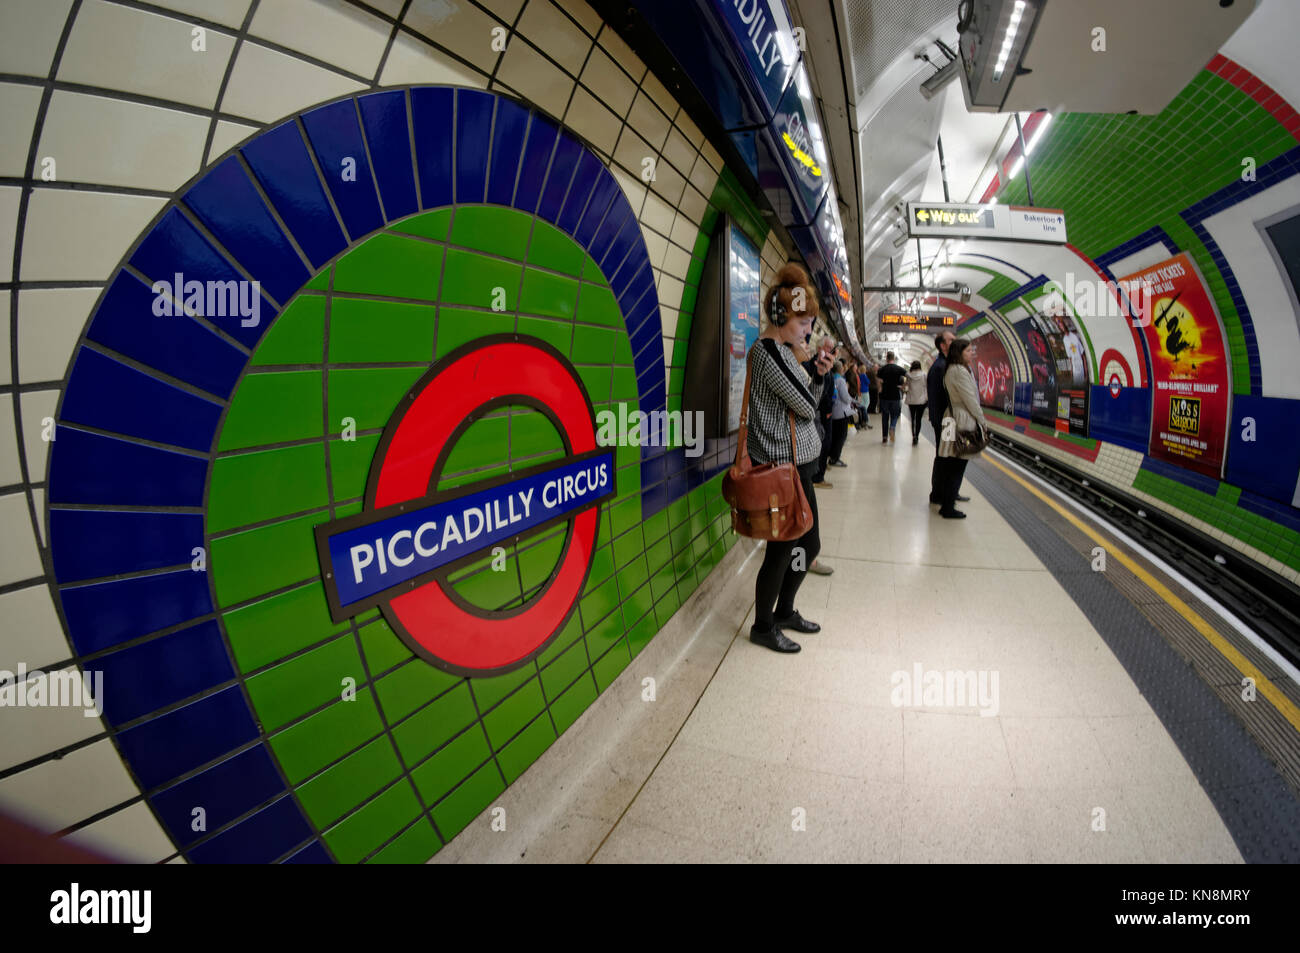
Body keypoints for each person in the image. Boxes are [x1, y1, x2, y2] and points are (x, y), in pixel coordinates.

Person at [745, 263, 833, 652]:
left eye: (810, 322)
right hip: (783, 467)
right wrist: (809, 370)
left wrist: (817, 373)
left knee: (804, 546)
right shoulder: (769, 352)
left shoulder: (784, 352)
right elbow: (806, 406)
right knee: (784, 548)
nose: (808, 331)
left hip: (797, 465)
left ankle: (784, 610)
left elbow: (805, 401)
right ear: (781, 316)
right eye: (803, 323)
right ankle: (764, 625)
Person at [936, 339, 987, 518]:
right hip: (961, 419)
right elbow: (970, 399)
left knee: (950, 461)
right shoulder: (959, 371)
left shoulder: (951, 369)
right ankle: (948, 506)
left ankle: (946, 501)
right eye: (968, 351)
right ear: (959, 353)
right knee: (958, 463)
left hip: (950, 418)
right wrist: (982, 421)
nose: (971, 353)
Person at [927, 330, 968, 507]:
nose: (955, 342)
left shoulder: (944, 365)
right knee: (945, 457)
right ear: (943, 345)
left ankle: (947, 492)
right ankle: (939, 494)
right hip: (946, 421)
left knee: (945, 456)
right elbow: (941, 398)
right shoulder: (940, 367)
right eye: (951, 340)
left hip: (946, 419)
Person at [875, 351, 907, 444]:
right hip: (896, 396)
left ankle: (884, 437)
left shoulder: (882, 369)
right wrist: (903, 386)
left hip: (884, 396)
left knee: (885, 416)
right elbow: (908, 376)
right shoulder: (899, 369)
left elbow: (877, 378)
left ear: (886, 358)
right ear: (894, 358)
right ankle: (892, 427)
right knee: (895, 415)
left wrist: (880, 387)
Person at [827, 360, 853, 467]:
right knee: (841, 436)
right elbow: (846, 398)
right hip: (842, 412)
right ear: (840, 368)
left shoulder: (831, 378)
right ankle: (835, 458)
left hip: (833, 412)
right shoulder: (841, 381)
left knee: (835, 435)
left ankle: (831, 456)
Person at [905, 359, 928, 445]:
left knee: (912, 419)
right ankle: (917, 436)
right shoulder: (924, 375)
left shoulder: (908, 375)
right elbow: (927, 386)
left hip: (911, 400)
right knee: (918, 419)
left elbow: (906, 385)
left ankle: (913, 435)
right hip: (921, 400)